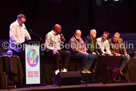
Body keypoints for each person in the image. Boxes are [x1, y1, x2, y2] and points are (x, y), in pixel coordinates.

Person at [9, 14, 31, 85]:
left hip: (22, 48)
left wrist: (30, 40)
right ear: (18, 19)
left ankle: (21, 81)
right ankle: (15, 81)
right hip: (15, 48)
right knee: (15, 66)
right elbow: (12, 36)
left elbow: (27, 34)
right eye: (22, 22)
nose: (23, 23)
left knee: (21, 65)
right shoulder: (13, 25)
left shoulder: (23, 25)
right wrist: (18, 43)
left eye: (24, 22)